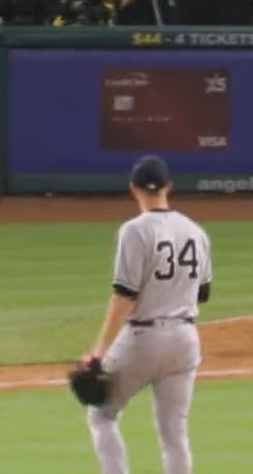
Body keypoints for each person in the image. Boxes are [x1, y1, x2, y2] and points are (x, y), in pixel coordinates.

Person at [82, 155, 213, 474]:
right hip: (185, 340)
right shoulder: (195, 231)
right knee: (174, 434)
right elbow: (203, 292)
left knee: (101, 416)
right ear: (168, 186)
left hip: (143, 340)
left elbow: (125, 295)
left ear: (133, 189)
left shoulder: (133, 231)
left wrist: (99, 351)